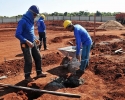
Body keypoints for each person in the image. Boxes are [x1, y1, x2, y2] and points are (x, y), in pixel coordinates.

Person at [15, 5, 47, 82]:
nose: (35, 16)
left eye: (36, 15)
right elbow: (17, 34)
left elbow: (31, 33)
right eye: (34, 14)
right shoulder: (23, 21)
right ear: (30, 13)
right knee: (29, 60)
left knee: (38, 57)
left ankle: (39, 73)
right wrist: (27, 41)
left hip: (32, 42)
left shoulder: (31, 21)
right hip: (25, 44)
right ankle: (27, 77)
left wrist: (36, 39)